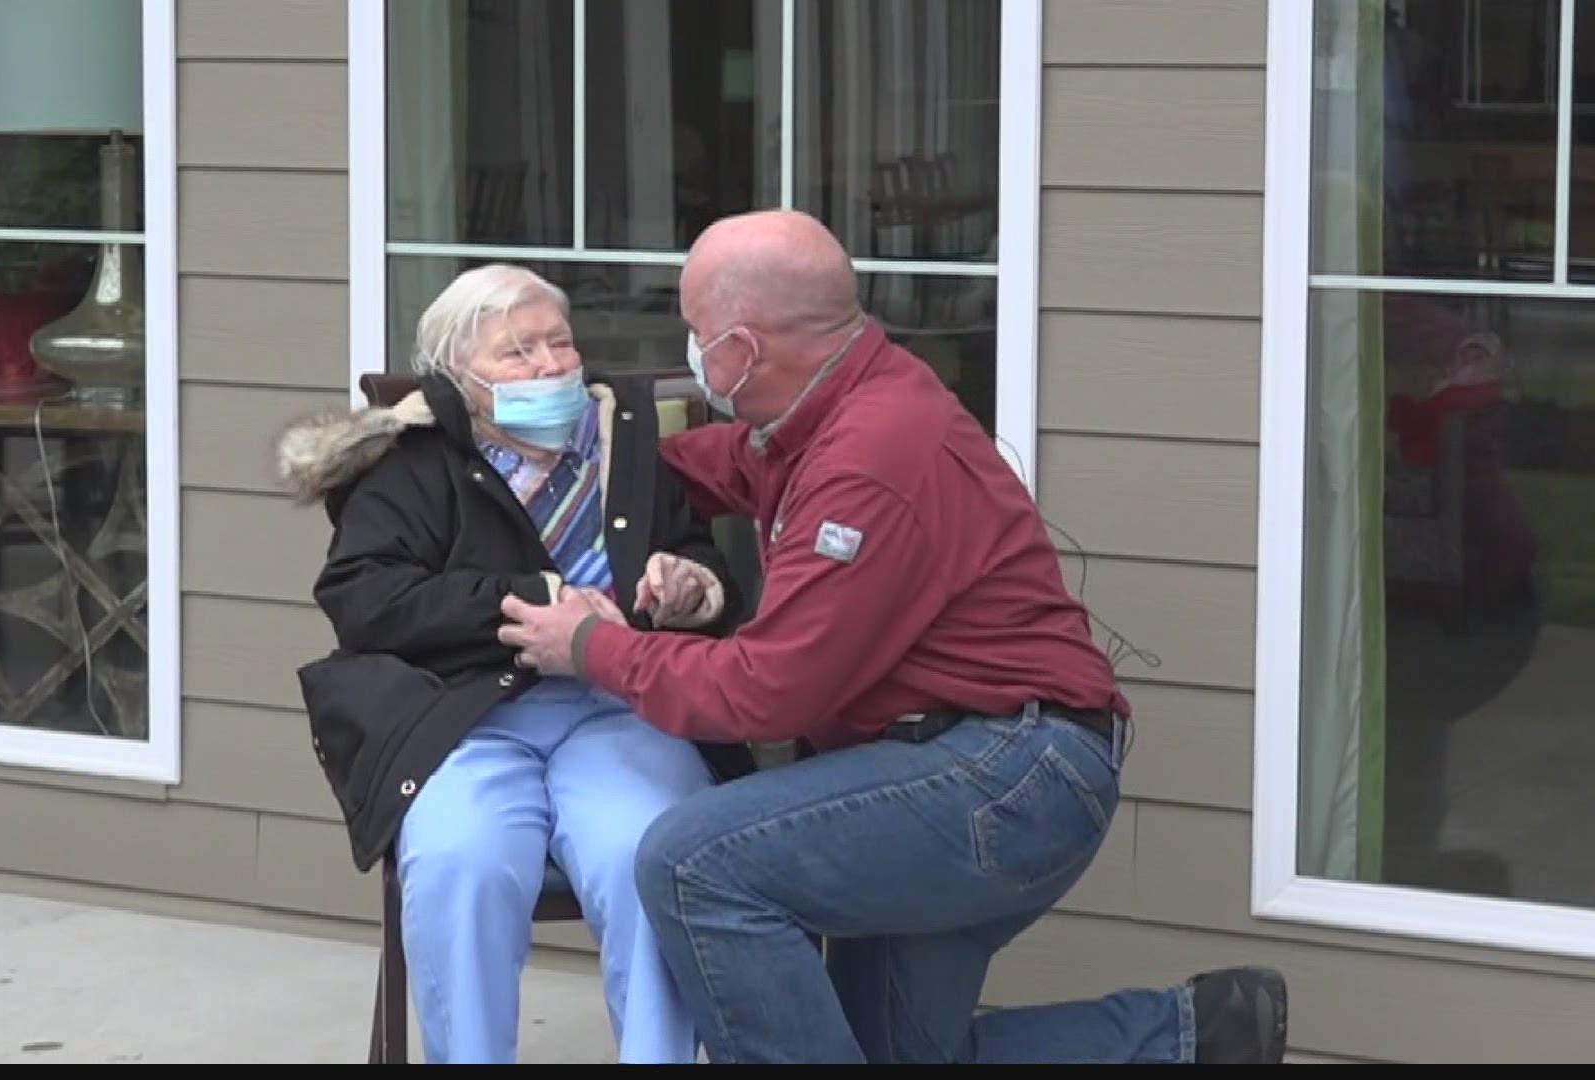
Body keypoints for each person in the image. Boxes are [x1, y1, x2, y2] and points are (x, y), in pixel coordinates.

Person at [496, 210, 1291, 1064]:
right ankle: (1197, 1037)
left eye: (695, 334)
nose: (691, 357)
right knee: (892, 1053)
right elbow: (717, 464)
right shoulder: (823, 409)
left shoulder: (869, 455)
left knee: (693, 863)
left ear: (745, 350)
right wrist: (573, 456)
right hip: (958, 756)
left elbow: (764, 693)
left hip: (1006, 773)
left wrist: (589, 645)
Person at [276, 263, 752, 1064]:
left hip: (616, 705)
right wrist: (534, 598)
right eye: (516, 352)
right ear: (458, 378)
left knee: (653, 857)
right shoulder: (410, 458)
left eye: (558, 343)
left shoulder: (621, 438)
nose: (548, 365)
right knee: (461, 863)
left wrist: (692, 586)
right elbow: (363, 598)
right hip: (464, 716)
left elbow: (693, 551)